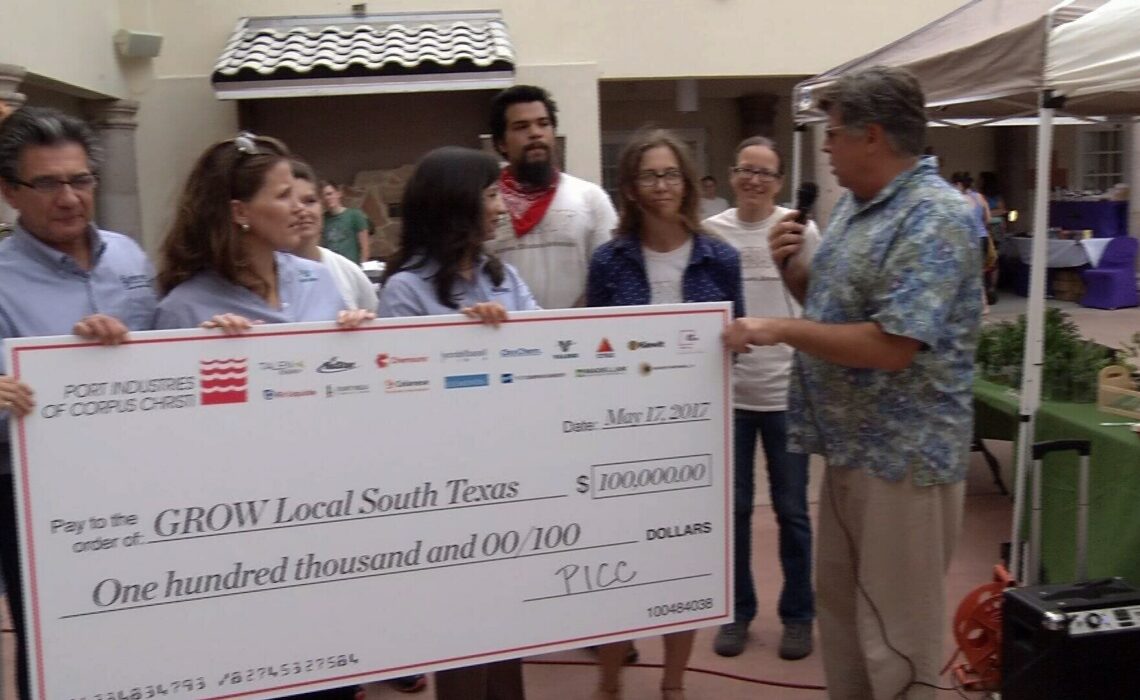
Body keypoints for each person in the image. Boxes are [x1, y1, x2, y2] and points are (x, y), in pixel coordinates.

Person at [723, 66, 981, 700]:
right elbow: (834, 318)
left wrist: (780, 329)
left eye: (833, 134)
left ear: (872, 136)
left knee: (896, 637)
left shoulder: (935, 217)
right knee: (842, 621)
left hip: (903, 463)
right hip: (845, 450)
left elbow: (893, 345)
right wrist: (794, 273)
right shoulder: (853, 213)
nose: (827, 149)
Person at [154, 132, 371, 700]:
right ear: (239, 213)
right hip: (242, 530)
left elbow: (357, 391)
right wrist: (201, 364)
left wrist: (362, 347)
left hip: (330, 509)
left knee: (333, 665)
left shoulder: (324, 280)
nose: (305, 205)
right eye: (283, 194)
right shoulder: (185, 308)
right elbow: (163, 436)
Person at [0, 106, 158, 700]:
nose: (69, 197)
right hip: (38, 497)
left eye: (80, 179)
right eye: (47, 183)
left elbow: (167, 350)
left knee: (147, 624)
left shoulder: (129, 257)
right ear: (10, 192)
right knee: (55, 644)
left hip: (143, 481)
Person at [587, 129, 742, 700]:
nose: (661, 186)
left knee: (685, 564)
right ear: (629, 187)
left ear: (688, 182)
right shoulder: (609, 259)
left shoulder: (719, 257)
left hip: (696, 439)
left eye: (670, 174)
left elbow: (737, 335)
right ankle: (608, 681)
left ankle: (673, 686)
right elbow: (592, 348)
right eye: (649, 176)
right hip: (621, 439)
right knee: (617, 564)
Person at [378, 146, 537, 700]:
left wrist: (512, 338)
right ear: (456, 204)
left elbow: (549, 359)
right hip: (446, 496)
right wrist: (462, 345)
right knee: (462, 639)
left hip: (509, 480)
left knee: (508, 636)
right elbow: (397, 396)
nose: (500, 206)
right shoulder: (404, 290)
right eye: (491, 194)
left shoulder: (506, 279)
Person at [701, 136, 818, 661]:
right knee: (735, 511)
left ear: (779, 181)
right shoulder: (712, 233)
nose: (754, 180)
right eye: (745, 169)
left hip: (786, 394)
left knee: (793, 511)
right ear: (731, 175)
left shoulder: (798, 229)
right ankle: (737, 613)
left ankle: (798, 616)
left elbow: (817, 302)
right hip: (730, 397)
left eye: (765, 173)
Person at [485, 84, 617, 310]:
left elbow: (612, 272)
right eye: (521, 127)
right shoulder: (485, 205)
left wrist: (566, 324)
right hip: (505, 337)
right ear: (501, 143)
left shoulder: (590, 198)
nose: (535, 133)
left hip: (580, 336)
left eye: (543, 124)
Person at [289, 161, 378, 313]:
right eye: (289, 202)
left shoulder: (347, 272)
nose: (301, 210)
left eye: (310, 201)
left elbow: (375, 319)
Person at [320, 180, 371, 264]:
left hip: (352, 267)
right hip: (333, 268)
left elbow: (365, 247)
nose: (327, 198)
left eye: (330, 194)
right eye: (324, 196)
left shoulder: (355, 215)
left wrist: (362, 269)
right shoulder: (322, 219)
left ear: (338, 194)